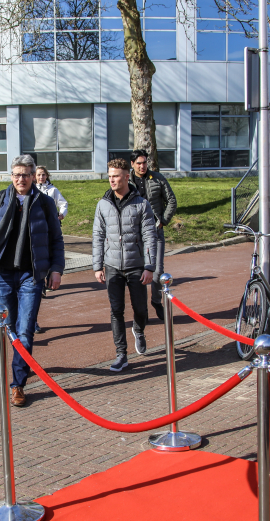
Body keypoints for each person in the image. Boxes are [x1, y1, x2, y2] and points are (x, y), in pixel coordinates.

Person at [0, 155, 65, 407]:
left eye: (26, 175)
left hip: (31, 275)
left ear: (33, 176)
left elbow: (56, 240)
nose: (21, 179)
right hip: (4, 276)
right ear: (11, 176)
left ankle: (17, 384)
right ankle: (23, 363)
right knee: (12, 329)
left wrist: (56, 269)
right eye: (17, 174)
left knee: (25, 331)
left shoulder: (45, 203)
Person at [93, 158, 157, 372]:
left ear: (127, 176)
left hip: (136, 265)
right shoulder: (103, 204)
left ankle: (138, 329)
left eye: (116, 176)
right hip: (112, 265)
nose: (111, 179)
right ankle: (121, 354)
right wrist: (97, 265)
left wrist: (149, 266)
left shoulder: (141, 203)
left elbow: (149, 236)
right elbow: (98, 235)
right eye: (110, 175)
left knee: (140, 307)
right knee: (116, 310)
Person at [129, 149, 177, 321]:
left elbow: (171, 200)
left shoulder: (157, 178)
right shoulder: (127, 181)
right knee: (137, 273)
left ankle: (156, 301)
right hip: (134, 233)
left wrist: (163, 220)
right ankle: (140, 310)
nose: (142, 166)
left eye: (144, 162)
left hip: (155, 230)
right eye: (139, 163)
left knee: (157, 271)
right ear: (132, 164)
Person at [34, 165, 69, 331]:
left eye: (43, 175)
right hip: (36, 230)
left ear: (47, 176)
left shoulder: (52, 190)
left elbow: (64, 203)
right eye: (38, 175)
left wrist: (61, 214)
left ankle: (46, 279)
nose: (41, 178)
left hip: (50, 228)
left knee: (48, 256)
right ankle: (40, 285)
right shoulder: (31, 190)